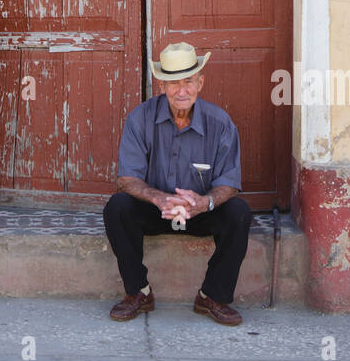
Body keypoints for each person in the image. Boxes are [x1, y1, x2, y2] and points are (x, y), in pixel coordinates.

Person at [103, 42, 251, 325]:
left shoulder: (220, 123)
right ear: (162, 85)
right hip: (156, 210)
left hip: (199, 212)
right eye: (173, 83)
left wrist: (204, 202)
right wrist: (159, 198)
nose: (181, 91)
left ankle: (212, 296)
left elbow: (230, 183)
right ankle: (138, 292)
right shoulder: (140, 118)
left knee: (239, 213)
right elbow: (126, 179)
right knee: (118, 207)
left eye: (188, 82)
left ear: (200, 82)